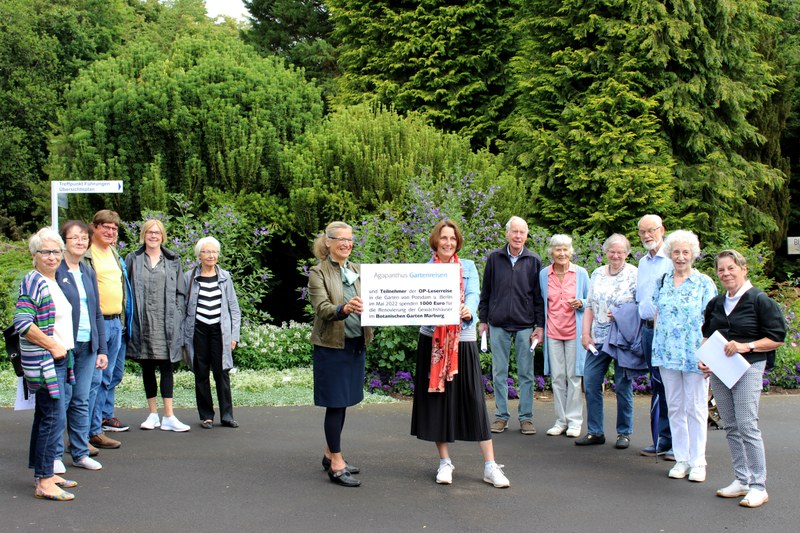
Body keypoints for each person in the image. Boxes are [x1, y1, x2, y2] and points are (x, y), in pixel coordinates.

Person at [411, 219, 510, 488]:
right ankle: (445, 462)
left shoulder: (466, 267)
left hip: (462, 339)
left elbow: (475, 294)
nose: (448, 242)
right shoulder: (425, 270)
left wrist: (469, 311)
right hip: (433, 341)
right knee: (438, 402)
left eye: (452, 239)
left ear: (458, 242)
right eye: (444, 238)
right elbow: (416, 303)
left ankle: (490, 465)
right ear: (435, 240)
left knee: (474, 400)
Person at [699, 250, 786, 508]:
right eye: (721, 270)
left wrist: (746, 346)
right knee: (731, 425)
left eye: (731, 268)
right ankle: (741, 480)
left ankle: (759, 486)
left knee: (747, 425)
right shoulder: (716, 303)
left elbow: (777, 338)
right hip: (720, 370)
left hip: (749, 368)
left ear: (743, 269)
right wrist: (704, 359)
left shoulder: (759, 300)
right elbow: (708, 335)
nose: (726, 273)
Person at [14, 228, 77, 500]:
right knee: (52, 419)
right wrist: (52, 346)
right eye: (46, 252)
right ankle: (43, 481)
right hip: (46, 362)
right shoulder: (34, 281)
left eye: (56, 252)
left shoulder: (55, 280)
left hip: (59, 360)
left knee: (47, 418)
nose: (52, 257)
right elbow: (23, 323)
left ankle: (45, 473)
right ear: (34, 255)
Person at [308, 221, 373, 487]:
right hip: (331, 347)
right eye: (340, 239)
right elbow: (322, 308)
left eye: (350, 240)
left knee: (344, 402)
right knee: (335, 404)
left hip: (356, 344)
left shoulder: (358, 270)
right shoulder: (318, 272)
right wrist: (344, 309)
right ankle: (336, 463)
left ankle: (329, 452)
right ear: (328, 242)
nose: (347, 244)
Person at [651, 231, 717, 482]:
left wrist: (708, 353)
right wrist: (659, 342)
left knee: (697, 407)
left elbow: (711, 321)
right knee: (675, 406)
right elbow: (658, 313)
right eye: (676, 252)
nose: (680, 257)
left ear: (693, 254)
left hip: (694, 355)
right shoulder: (663, 280)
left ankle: (698, 462)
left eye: (685, 252)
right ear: (670, 254)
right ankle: (681, 459)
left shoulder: (703, 283)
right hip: (667, 354)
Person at [478, 216, 544, 435]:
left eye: (522, 232)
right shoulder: (495, 258)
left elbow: (538, 297)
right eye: (514, 232)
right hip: (497, 324)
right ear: (506, 233)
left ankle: (526, 418)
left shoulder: (534, 260)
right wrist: (483, 320)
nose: (518, 236)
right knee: (499, 372)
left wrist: (539, 325)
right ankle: (501, 416)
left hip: (525, 325)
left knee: (526, 373)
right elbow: (486, 292)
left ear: (526, 235)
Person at [54, 221, 109, 473]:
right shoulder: (56, 270)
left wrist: (102, 349)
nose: (80, 241)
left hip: (87, 346)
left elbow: (96, 312)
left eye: (83, 237)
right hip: (63, 346)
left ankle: (80, 452)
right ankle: (54, 456)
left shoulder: (87, 270)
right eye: (74, 237)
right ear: (64, 241)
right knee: (60, 401)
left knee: (81, 400)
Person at [125, 219, 189, 432]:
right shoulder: (133, 259)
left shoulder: (172, 260)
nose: (153, 236)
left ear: (163, 236)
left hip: (166, 322)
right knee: (147, 366)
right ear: (143, 234)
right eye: (149, 232)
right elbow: (126, 290)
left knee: (167, 366)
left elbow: (181, 292)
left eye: (157, 233)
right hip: (143, 323)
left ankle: (169, 416)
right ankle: (152, 414)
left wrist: (178, 315)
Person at [577, 234, 639, 449]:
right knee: (592, 382)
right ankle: (595, 431)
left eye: (620, 252)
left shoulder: (635, 275)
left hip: (622, 339)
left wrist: (622, 313)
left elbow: (642, 308)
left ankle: (624, 432)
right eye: (612, 251)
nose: (615, 255)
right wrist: (585, 334)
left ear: (627, 253)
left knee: (623, 385)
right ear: (605, 252)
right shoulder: (597, 274)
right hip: (599, 338)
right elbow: (590, 306)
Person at [83, 210, 133, 450]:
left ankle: (96, 429)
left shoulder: (113, 252)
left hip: (116, 322)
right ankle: (84, 434)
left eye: (114, 228)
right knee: (93, 380)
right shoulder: (86, 255)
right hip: (97, 323)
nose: (111, 232)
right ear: (94, 227)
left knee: (108, 378)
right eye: (106, 227)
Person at [183, 237, 242, 429]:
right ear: (199, 255)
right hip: (198, 330)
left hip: (220, 331)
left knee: (222, 373)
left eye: (214, 252)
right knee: (201, 373)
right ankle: (206, 416)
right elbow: (182, 308)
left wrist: (234, 336)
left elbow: (234, 308)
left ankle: (227, 415)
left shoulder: (225, 276)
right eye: (207, 252)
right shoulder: (189, 277)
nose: (211, 255)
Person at [538, 235, 590, 438]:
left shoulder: (581, 273)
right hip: (553, 332)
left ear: (571, 252)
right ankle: (560, 420)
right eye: (558, 250)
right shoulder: (544, 275)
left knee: (574, 377)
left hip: (574, 333)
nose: (561, 254)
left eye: (565, 250)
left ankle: (575, 421)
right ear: (551, 252)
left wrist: (582, 302)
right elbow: (541, 302)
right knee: (558, 378)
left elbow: (591, 299)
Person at [636, 214, 674, 459]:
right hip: (647, 329)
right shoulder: (642, 262)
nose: (647, 235)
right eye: (643, 232)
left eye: (652, 230)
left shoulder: (672, 259)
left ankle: (673, 442)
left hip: (666, 332)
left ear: (662, 230)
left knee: (670, 385)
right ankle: (660, 439)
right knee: (657, 384)